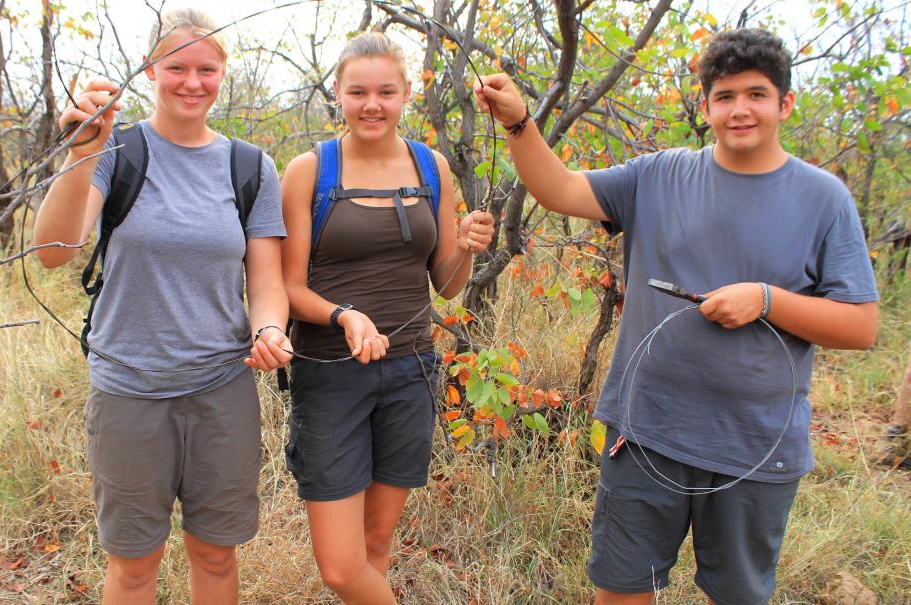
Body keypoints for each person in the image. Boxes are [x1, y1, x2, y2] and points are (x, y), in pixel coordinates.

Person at [474, 28, 878, 605]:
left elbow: (861, 326)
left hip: (755, 448)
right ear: (706, 106)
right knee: (620, 590)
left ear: (785, 103)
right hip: (645, 432)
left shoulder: (824, 199)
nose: (741, 109)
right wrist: (519, 123)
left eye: (757, 95)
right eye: (725, 96)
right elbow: (559, 188)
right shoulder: (657, 176)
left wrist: (766, 300)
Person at [32, 8, 292, 605]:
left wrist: (269, 329)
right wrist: (78, 152)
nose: (192, 82)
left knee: (215, 554)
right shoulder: (114, 149)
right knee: (133, 563)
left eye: (206, 69)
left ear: (223, 73)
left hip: (221, 389)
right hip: (129, 389)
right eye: (177, 67)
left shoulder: (249, 166)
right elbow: (53, 250)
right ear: (151, 69)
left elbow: (266, 278)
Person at [279, 32, 495, 604]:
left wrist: (468, 247)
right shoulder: (309, 171)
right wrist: (345, 315)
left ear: (406, 95)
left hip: (411, 373)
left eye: (385, 92)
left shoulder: (431, 166)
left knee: (377, 545)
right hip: (329, 376)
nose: (371, 104)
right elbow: (287, 287)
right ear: (338, 95)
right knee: (342, 569)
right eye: (358, 92)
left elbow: (447, 287)